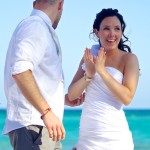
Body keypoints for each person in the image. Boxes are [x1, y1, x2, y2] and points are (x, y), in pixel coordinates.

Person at [2, 0, 84, 150]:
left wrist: (61, 100)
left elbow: (37, 78)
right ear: (60, 4)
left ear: (34, 3)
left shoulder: (40, 27)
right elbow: (20, 71)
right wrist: (46, 112)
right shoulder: (35, 26)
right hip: (35, 126)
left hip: (42, 125)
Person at [68, 8, 139, 150]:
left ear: (122, 32)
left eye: (117, 29)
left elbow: (127, 97)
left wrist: (101, 71)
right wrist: (89, 75)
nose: (112, 34)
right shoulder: (89, 56)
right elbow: (71, 95)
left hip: (115, 140)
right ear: (96, 32)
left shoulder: (129, 59)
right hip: (87, 139)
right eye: (106, 28)